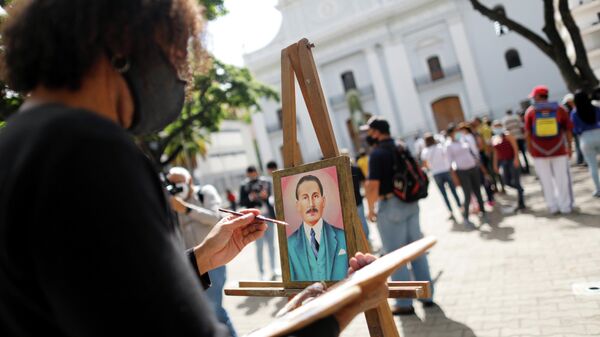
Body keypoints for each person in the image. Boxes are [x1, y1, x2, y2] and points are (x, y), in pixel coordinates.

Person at [0, 1, 388, 335]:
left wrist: (200, 258)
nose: (180, 73)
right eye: (173, 51)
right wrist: (339, 308)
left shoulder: (16, 145)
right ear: (121, 40)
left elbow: (104, 299)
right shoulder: (89, 150)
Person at [364, 116, 434, 315]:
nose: (368, 135)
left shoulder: (377, 153)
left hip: (390, 205)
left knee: (395, 256)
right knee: (417, 251)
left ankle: (405, 303)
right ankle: (427, 296)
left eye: (369, 131)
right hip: (410, 203)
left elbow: (371, 185)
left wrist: (370, 209)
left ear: (376, 132)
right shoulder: (400, 145)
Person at [167, 167, 237, 337]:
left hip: (214, 260)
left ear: (189, 181)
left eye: (179, 182)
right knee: (203, 313)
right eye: (171, 183)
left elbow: (217, 218)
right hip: (190, 264)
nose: (176, 186)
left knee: (215, 311)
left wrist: (187, 209)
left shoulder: (205, 192)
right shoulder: (171, 202)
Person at [524, 85, 574, 214]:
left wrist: (530, 150)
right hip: (559, 150)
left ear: (538, 96)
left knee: (546, 181)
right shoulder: (560, 109)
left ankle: (552, 206)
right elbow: (568, 129)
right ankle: (565, 207)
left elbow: (528, 133)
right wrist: (569, 147)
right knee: (562, 179)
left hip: (539, 152)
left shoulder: (531, 111)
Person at [288, 175, 348, 281]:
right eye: (305, 198)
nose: (311, 204)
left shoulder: (342, 236)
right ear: (297, 205)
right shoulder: (289, 244)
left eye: (315, 196)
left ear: (323, 201)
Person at [239, 165, 279, 280]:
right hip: (254, 219)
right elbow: (241, 201)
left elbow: (272, 196)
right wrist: (251, 197)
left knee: (271, 244)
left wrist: (265, 196)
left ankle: (274, 269)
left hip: (267, 216)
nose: (252, 175)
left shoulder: (266, 182)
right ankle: (261, 273)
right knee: (259, 246)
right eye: (250, 173)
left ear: (257, 172)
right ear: (247, 174)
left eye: (254, 172)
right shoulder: (244, 185)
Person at [446, 125, 488, 227]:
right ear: (451, 133)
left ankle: (483, 211)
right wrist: (454, 177)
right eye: (455, 131)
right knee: (467, 194)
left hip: (473, 168)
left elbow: (472, 153)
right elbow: (449, 163)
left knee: (478, 190)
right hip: (462, 171)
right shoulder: (448, 145)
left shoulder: (463, 140)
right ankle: (466, 217)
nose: (458, 133)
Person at [420, 133, 462, 220]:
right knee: (453, 191)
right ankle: (460, 206)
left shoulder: (425, 151)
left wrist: (432, 166)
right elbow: (447, 158)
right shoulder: (440, 147)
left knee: (444, 194)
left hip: (436, 173)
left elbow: (424, 165)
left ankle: (450, 211)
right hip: (446, 170)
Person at [571, 90, 600, 197]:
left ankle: (598, 189)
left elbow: (574, 129)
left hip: (585, 138)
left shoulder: (574, 112)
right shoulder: (595, 108)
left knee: (592, 166)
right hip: (599, 133)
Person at [491, 121, 526, 210]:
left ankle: (521, 202)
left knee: (516, 181)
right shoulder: (494, 138)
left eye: (498, 126)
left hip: (512, 160)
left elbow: (515, 147)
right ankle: (520, 190)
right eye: (495, 127)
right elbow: (496, 153)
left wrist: (516, 159)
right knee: (506, 181)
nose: (497, 129)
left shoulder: (508, 135)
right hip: (503, 162)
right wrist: (495, 165)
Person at [341, 149, 371, 244]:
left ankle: (363, 242)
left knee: (355, 224)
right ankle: (366, 241)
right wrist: (366, 194)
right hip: (357, 200)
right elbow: (364, 182)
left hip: (350, 202)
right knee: (362, 222)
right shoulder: (355, 168)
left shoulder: (342, 171)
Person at [503, 109, 530, 174]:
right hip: (520, 137)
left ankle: (520, 170)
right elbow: (522, 127)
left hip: (512, 140)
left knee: (516, 155)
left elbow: (505, 130)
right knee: (524, 154)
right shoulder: (516, 118)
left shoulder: (505, 120)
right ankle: (527, 168)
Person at [563, 93, 586, 166]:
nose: (568, 104)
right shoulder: (570, 110)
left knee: (580, 146)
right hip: (575, 131)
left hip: (580, 130)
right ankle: (580, 160)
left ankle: (582, 160)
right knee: (578, 145)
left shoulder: (575, 109)